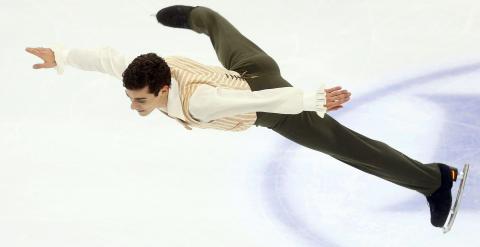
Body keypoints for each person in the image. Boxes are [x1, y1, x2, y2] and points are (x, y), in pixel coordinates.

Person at [25, 5, 458, 228]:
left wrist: (314, 100)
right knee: (214, 25)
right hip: (246, 67)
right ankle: (198, 16)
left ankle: (435, 179)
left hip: (265, 100)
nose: (134, 106)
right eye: (132, 99)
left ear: (161, 89)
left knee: (346, 148)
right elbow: (107, 58)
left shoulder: (202, 104)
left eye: (140, 101)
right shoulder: (145, 72)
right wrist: (61, 55)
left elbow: (262, 101)